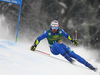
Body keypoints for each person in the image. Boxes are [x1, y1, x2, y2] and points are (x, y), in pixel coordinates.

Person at [30, 20, 97, 71]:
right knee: (56, 44)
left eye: (56, 28)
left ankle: (89, 66)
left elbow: (67, 36)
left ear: (58, 28)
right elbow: (39, 39)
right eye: (53, 27)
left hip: (61, 46)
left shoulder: (60, 31)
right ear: (50, 27)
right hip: (53, 49)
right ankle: (68, 58)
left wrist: (73, 41)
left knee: (72, 53)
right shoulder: (47, 33)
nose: (54, 29)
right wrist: (34, 45)